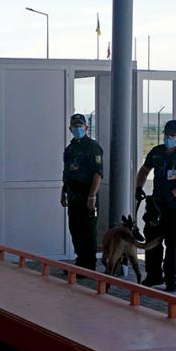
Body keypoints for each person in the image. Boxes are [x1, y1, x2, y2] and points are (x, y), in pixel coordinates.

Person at [135, 119, 176, 292]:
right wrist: (139, 187)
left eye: (173, 135)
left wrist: (172, 194)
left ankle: (171, 279)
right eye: (167, 135)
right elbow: (144, 170)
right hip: (157, 205)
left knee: (173, 243)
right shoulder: (157, 152)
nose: (169, 138)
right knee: (152, 240)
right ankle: (153, 275)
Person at [61, 113, 103, 273]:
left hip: (87, 194)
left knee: (87, 231)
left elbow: (98, 173)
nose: (77, 129)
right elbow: (67, 173)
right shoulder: (70, 148)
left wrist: (92, 196)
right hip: (73, 194)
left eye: (80, 126)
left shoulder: (92, 147)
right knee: (75, 229)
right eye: (75, 126)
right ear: (70, 128)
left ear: (86, 127)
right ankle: (81, 261)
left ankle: (88, 266)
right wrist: (63, 192)